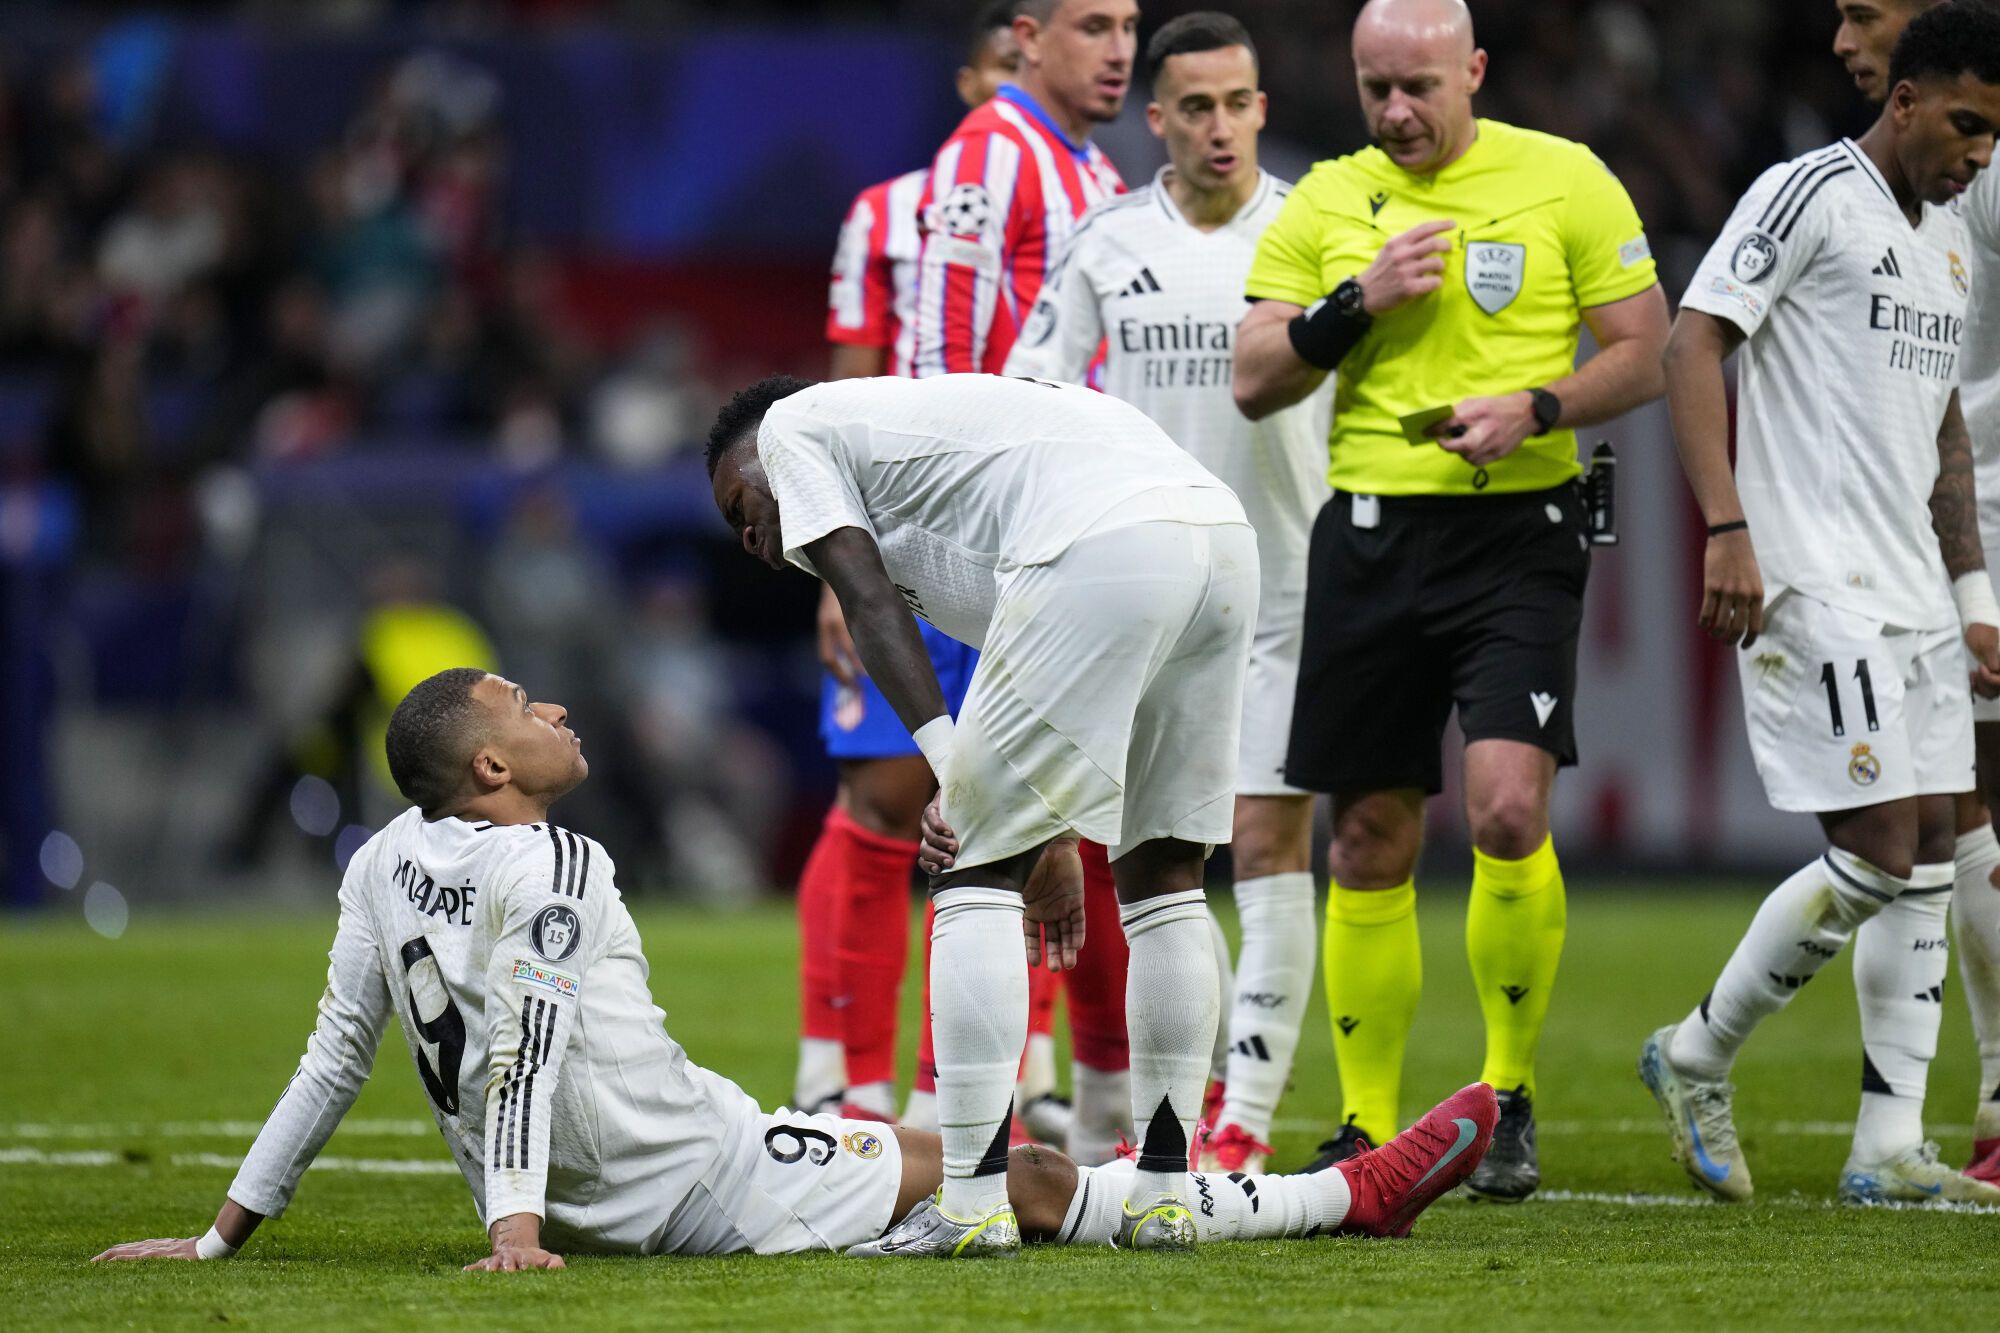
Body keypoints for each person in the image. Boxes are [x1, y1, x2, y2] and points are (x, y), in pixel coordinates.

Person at [90, 668, 1498, 1267]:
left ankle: (1279, 1190)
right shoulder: (556, 864)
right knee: (1012, 1174)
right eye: (528, 704)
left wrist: (223, 1236)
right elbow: (520, 1047)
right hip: (680, 1169)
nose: (558, 707)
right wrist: (519, 1232)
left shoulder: (383, 860)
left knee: (913, 1163)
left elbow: (337, 1055)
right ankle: (1342, 1196)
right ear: (495, 765)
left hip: (626, 1173)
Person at [1230, 0, 1669, 1200]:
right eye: (1375, 88)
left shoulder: (1563, 180)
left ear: (1472, 70)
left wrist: (1535, 408)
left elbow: (1645, 345)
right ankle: (1365, 1123)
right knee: (1368, 835)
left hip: (1516, 535)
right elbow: (1254, 380)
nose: (1395, 112)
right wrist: (1355, 301)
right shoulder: (1325, 201)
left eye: (1418, 85)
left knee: (1505, 810)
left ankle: (1506, 1091)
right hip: (1368, 538)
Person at [709, 370, 1272, 1253]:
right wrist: (1038, 821)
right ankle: (1166, 1189)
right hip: (1219, 541)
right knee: (1163, 873)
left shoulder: (789, 429)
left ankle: (970, 1206)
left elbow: (868, 601)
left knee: (969, 862)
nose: (746, 534)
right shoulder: (936, 470)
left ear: (756, 454)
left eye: (739, 501)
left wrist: (953, 771)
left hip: (1103, 538)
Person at [1637, 0, 2000, 1206]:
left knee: (1939, 839)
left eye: (1992, 136)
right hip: (1807, 576)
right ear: (1901, 100)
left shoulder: (1946, 241)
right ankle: (1694, 1050)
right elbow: (1691, 345)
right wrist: (1726, 528)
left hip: (1910, 589)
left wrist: (1971, 593)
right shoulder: (1804, 193)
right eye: (1961, 124)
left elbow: (1944, 434)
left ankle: (1886, 1148)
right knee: (1876, 847)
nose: (1975, 154)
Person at [1003, 11, 1329, 1177]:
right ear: (1157, 120)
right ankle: (1148, 1118)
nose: (1219, 125)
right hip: (1153, 590)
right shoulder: (1103, 242)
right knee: (1154, 857)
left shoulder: (1312, 228)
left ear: (1259, 107)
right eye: (1194, 105)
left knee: (1268, 834)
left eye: (1237, 102)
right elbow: (1029, 395)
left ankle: (1239, 1110)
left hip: (1291, 584)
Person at [801, 0, 1049, 1133]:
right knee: (885, 793)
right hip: (914, 529)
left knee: (1042, 796)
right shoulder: (887, 214)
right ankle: (840, 1077)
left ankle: (1020, 1070)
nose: (1017, 87)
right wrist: (833, 569)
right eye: (1001, 66)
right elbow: (846, 390)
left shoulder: (1086, 194)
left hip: (1037, 523)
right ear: (970, 82)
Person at [911, 0, 1144, 1165]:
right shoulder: (985, 157)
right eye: (1092, 23)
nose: (1117, 48)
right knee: (992, 830)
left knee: (1091, 823)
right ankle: (944, 1124)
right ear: (1026, 35)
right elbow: (938, 357)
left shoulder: (1094, 168)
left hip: (1086, 533)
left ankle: (1094, 1118)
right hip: (998, 546)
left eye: (1129, 25)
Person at [1833, 0, 2000, 1189]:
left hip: (1974, 520)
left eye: (1859, 13)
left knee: (1944, 815)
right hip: (1944, 526)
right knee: (1947, 816)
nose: (1842, 40)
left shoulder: (1976, 169)